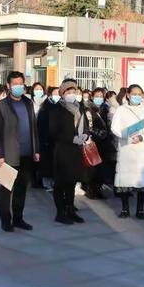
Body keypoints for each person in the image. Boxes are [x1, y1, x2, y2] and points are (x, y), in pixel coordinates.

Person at [0, 71, 39, 231]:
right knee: (6, 188)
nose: (18, 87)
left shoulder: (28, 103)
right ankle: (5, 221)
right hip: (8, 154)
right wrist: (0, 154)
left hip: (27, 153)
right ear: (8, 86)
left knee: (22, 188)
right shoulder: (1, 106)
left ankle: (18, 218)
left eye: (20, 84)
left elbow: (33, 127)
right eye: (15, 84)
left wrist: (36, 149)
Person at [111, 84, 144, 219]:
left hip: (142, 148)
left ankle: (140, 210)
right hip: (126, 148)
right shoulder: (121, 110)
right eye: (133, 93)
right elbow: (115, 128)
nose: (136, 96)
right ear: (128, 95)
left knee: (142, 180)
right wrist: (127, 136)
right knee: (125, 180)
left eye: (139, 94)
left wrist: (141, 137)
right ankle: (125, 209)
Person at [50, 80, 87, 225]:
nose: (72, 95)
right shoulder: (57, 109)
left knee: (71, 183)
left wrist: (85, 135)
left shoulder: (79, 108)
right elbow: (53, 132)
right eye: (68, 92)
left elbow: (85, 125)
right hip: (62, 151)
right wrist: (71, 138)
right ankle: (60, 213)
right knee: (60, 183)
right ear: (62, 94)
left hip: (76, 151)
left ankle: (71, 210)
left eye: (74, 92)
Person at [37, 87, 60, 191]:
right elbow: (41, 125)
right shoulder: (45, 108)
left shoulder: (61, 107)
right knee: (46, 162)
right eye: (55, 93)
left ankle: (54, 182)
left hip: (57, 140)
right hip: (46, 140)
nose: (57, 95)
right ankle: (46, 183)